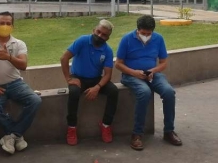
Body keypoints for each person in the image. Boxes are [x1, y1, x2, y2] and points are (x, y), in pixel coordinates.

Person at [115, 15, 182, 150]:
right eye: (143, 33)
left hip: (152, 74)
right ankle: (137, 134)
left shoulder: (158, 39)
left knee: (169, 92)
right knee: (144, 92)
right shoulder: (127, 39)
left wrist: (153, 70)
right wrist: (134, 72)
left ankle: (169, 131)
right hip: (131, 75)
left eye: (148, 34)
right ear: (137, 30)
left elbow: (163, 63)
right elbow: (118, 64)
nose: (146, 36)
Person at [0, 12, 42, 154]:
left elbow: (23, 65)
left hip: (15, 83)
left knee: (35, 100)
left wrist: (9, 57)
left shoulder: (18, 44)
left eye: (8, 24)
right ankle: (17, 135)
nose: (5, 26)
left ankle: (12, 136)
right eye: (1, 23)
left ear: (13, 26)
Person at [61, 20, 119, 146]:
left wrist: (97, 87)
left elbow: (108, 74)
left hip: (95, 79)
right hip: (78, 77)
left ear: (108, 38)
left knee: (113, 91)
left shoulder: (107, 51)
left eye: (104, 35)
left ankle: (106, 125)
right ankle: (71, 127)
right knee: (74, 92)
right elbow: (64, 58)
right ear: (94, 30)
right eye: (98, 32)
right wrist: (69, 79)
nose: (99, 36)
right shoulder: (82, 41)